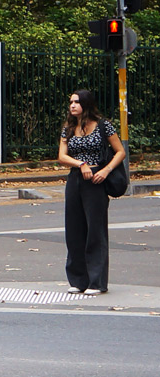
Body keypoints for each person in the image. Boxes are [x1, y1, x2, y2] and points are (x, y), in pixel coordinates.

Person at [57, 89, 126, 295]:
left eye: (77, 102)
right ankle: (78, 280)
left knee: (95, 230)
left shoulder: (103, 125)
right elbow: (62, 156)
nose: (72, 105)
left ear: (86, 104)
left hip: (97, 179)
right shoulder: (69, 128)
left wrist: (106, 170)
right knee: (74, 229)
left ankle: (97, 282)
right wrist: (81, 164)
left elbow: (120, 151)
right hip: (76, 178)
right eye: (71, 102)